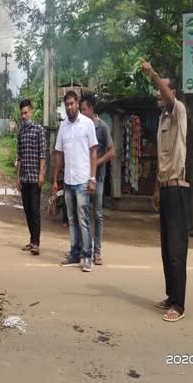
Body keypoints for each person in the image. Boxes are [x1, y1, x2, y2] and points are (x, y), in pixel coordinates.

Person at [142, 60, 189, 323]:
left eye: (161, 91)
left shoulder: (179, 111)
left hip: (179, 190)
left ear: (171, 93)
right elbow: (161, 159)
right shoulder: (162, 119)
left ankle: (179, 305)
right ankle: (171, 295)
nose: (157, 95)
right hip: (166, 188)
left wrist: (153, 74)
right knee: (165, 248)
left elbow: (168, 94)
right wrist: (156, 189)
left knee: (176, 249)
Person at [54, 91, 98, 273]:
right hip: (68, 181)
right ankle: (74, 252)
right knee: (71, 219)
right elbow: (58, 153)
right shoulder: (63, 126)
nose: (70, 107)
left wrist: (93, 178)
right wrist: (56, 180)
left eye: (72, 103)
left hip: (82, 180)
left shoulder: (87, 124)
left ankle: (87, 256)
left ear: (77, 103)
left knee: (83, 219)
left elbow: (94, 152)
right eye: (67, 105)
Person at [79, 94, 115, 265]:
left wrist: (96, 162)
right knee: (82, 213)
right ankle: (84, 248)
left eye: (84, 109)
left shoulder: (102, 127)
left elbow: (112, 151)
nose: (81, 112)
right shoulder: (80, 127)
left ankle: (97, 251)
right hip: (82, 176)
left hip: (98, 177)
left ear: (92, 108)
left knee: (98, 214)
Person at [16, 99, 47, 255]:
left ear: (31, 112)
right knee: (27, 210)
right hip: (25, 178)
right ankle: (31, 239)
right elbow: (19, 156)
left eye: (26, 112)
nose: (24, 115)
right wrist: (18, 178)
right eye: (22, 113)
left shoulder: (39, 130)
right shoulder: (21, 131)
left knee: (35, 210)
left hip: (35, 178)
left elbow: (42, 154)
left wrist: (42, 174)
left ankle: (36, 243)